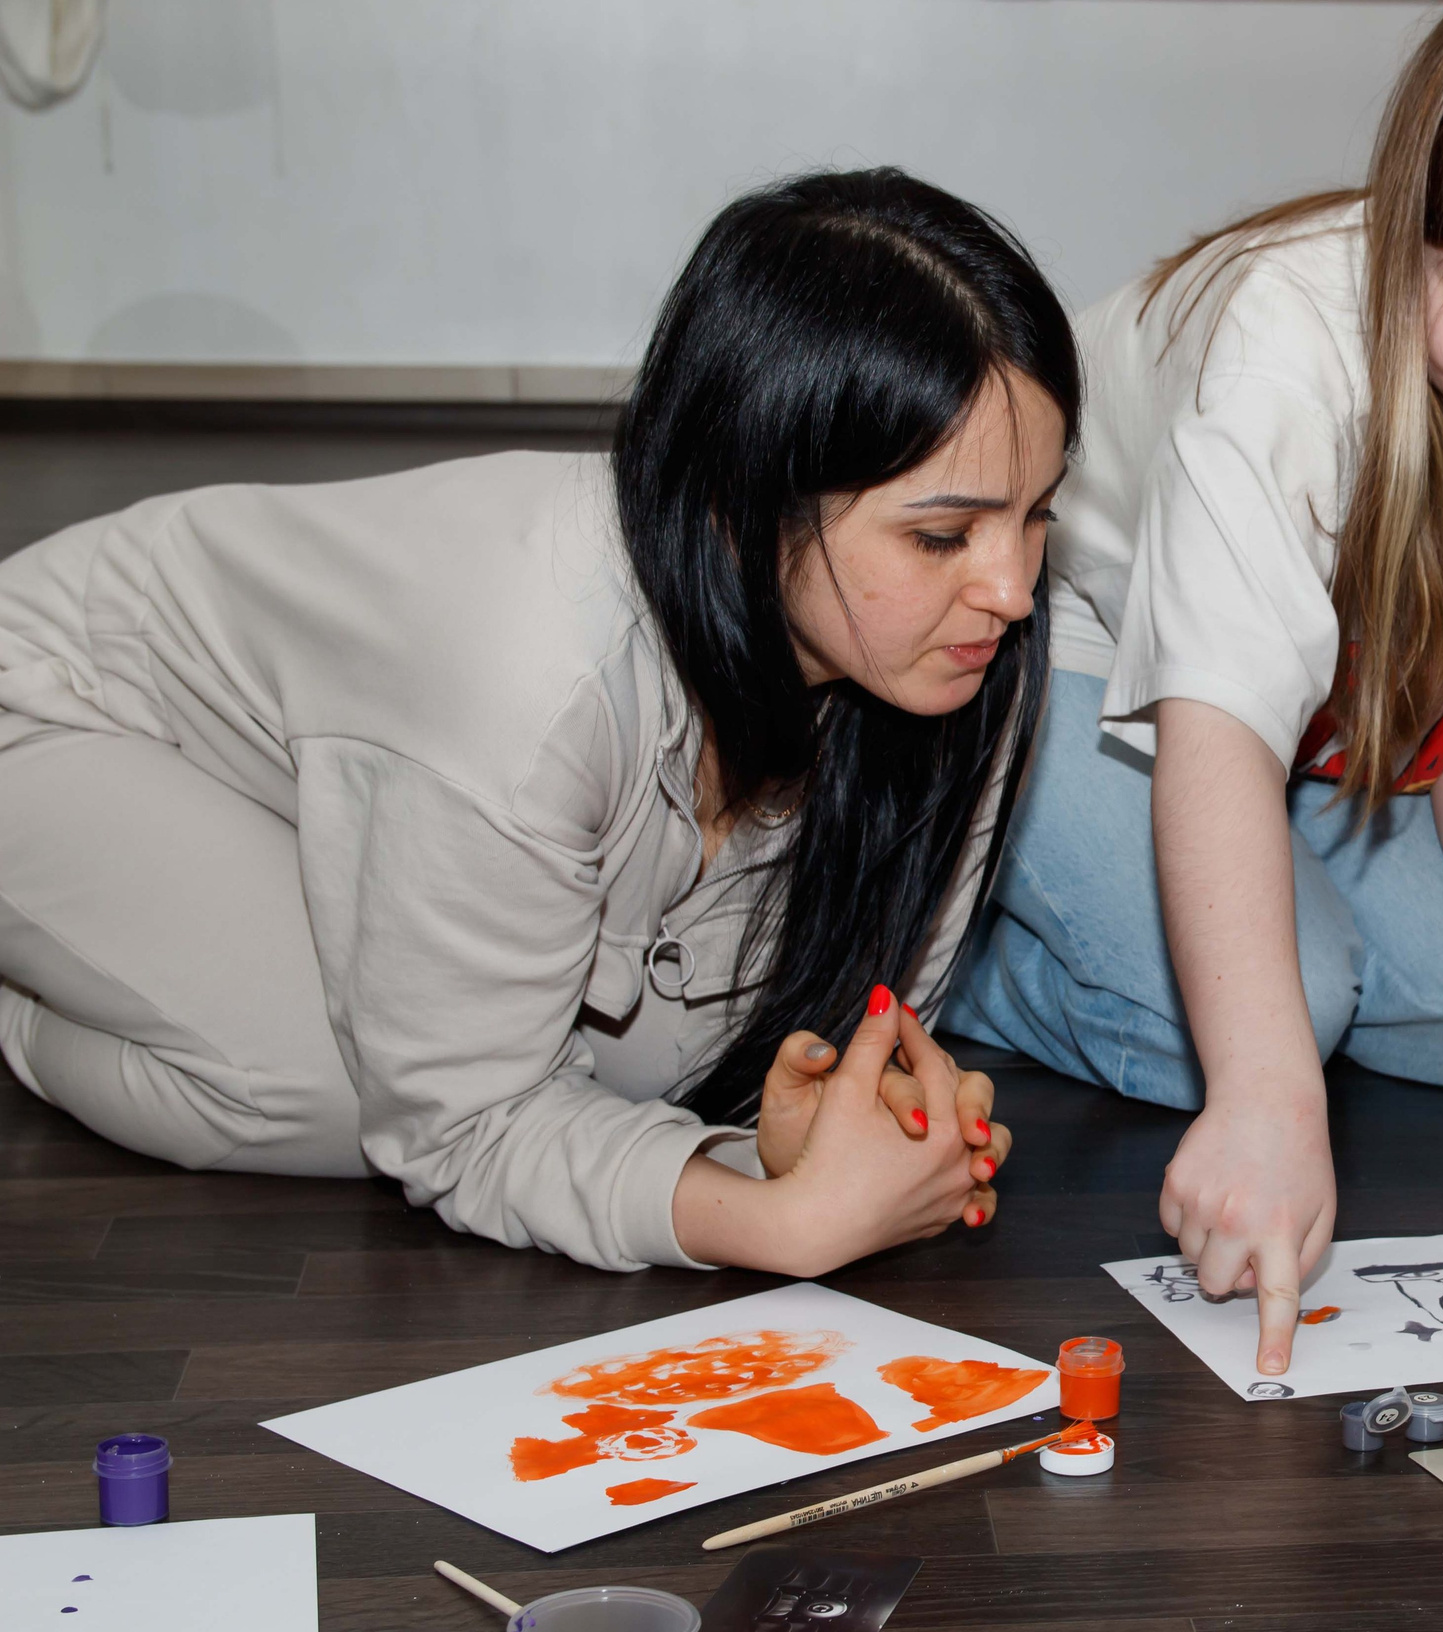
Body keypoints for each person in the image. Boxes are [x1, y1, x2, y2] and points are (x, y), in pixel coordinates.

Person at [0, 168, 1078, 1275]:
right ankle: (23, 986)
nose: (1012, 586)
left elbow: (810, 1044)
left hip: (387, 772)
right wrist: (774, 1221)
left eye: (1038, 514)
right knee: (331, 1095)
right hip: (66, 708)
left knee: (587, 1063)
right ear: (742, 504)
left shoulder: (956, 651)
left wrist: (793, 1136)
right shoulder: (529, 673)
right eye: (943, 536)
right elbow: (458, 1128)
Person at [945, 0, 1443, 1373]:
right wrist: (1261, 1093)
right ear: (1405, 244)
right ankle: (946, 927)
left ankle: (1271, 906)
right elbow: (1216, 733)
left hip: (1324, 731)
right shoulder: (1285, 353)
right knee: (1285, 1014)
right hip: (1070, 649)